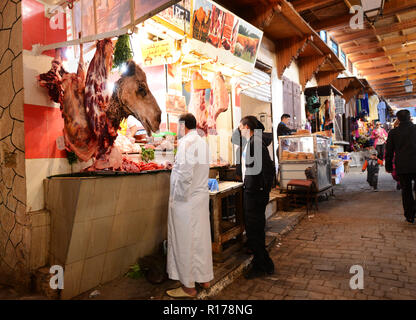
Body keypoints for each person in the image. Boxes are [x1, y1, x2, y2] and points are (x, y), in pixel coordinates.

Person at [166, 113, 213, 298]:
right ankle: (204, 278)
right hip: (199, 200)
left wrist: (178, 199)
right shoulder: (202, 142)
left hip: (186, 201)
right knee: (200, 240)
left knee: (185, 242)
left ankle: (188, 287)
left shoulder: (187, 142)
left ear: (182, 125)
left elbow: (185, 175)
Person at [239, 115, 276, 279]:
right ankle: (263, 263)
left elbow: (267, 169)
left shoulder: (256, 143)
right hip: (253, 191)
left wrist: (261, 190)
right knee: (255, 231)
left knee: (254, 231)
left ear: (247, 127)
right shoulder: (252, 143)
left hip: (255, 194)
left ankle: (263, 264)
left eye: (240, 128)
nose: (239, 131)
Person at [385, 110, 416, 224]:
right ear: (410, 117)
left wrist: (388, 166)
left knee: (406, 190)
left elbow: (389, 150)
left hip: (402, 165)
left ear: (398, 119)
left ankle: (409, 215)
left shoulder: (393, 132)